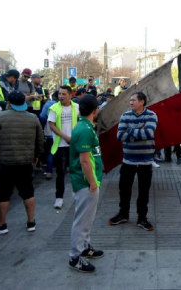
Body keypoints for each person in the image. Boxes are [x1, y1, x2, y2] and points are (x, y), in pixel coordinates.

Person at [0, 91, 44, 234]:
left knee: (3, 195)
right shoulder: (33, 118)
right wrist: (36, 156)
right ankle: (31, 222)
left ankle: (2, 224)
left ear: (9, 103)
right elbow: (40, 140)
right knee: (28, 192)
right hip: (25, 163)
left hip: (4, 163)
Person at [109, 92, 158, 231]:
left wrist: (129, 130)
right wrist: (138, 131)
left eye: (133, 100)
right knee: (124, 190)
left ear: (142, 102)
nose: (130, 102)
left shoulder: (151, 115)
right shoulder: (125, 116)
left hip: (145, 161)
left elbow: (149, 133)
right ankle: (123, 214)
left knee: (144, 191)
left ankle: (142, 218)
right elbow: (120, 136)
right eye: (130, 100)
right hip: (128, 160)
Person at [68, 95, 104, 272]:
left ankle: (84, 247)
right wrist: (92, 183)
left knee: (87, 219)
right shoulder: (84, 130)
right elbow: (84, 161)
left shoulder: (86, 127)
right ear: (95, 111)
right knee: (82, 220)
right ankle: (75, 256)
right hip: (85, 183)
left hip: (89, 181)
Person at [48, 86, 79, 209]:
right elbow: (52, 125)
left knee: (76, 171)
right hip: (60, 145)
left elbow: (81, 121)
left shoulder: (76, 107)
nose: (61, 96)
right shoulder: (54, 108)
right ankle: (59, 198)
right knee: (60, 173)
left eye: (64, 94)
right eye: (60, 94)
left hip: (74, 145)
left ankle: (77, 195)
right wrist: (65, 137)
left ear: (70, 95)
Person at [40, 91, 59, 180]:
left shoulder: (49, 105)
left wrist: (43, 127)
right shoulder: (66, 105)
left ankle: (49, 171)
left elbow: (42, 116)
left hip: (50, 133)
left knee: (50, 152)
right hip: (62, 133)